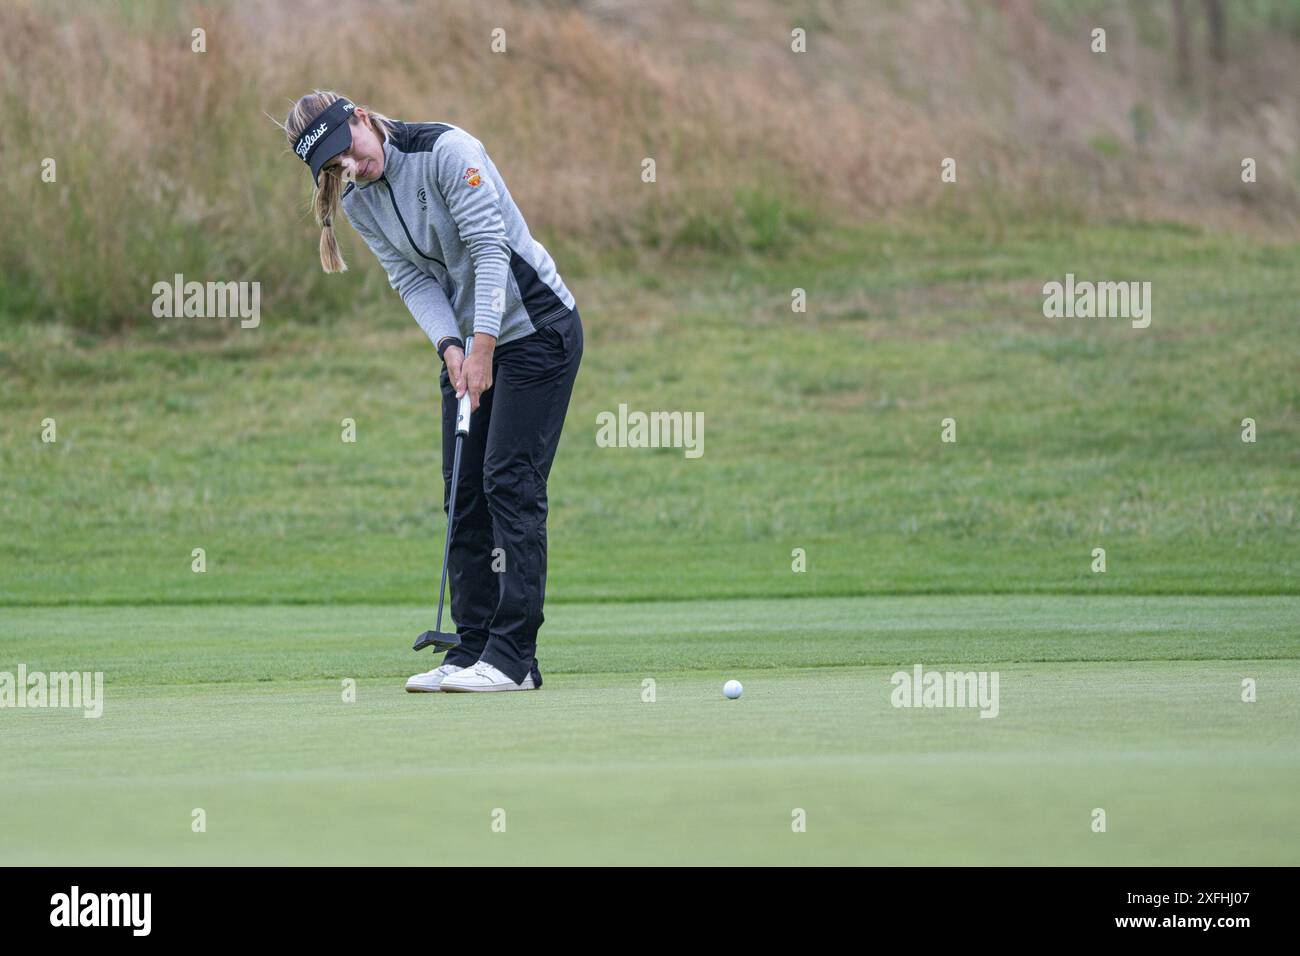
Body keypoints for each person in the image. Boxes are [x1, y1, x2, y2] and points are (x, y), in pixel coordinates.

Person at [282, 90, 583, 692]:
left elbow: (489, 249)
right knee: (462, 489)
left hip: (536, 329)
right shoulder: (360, 199)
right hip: (470, 342)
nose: (352, 169)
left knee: (508, 482)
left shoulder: (447, 151)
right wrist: (451, 347)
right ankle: (472, 647)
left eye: (352, 152)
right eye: (335, 168)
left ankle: (514, 659)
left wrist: (483, 346)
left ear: (363, 119)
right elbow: (412, 278)